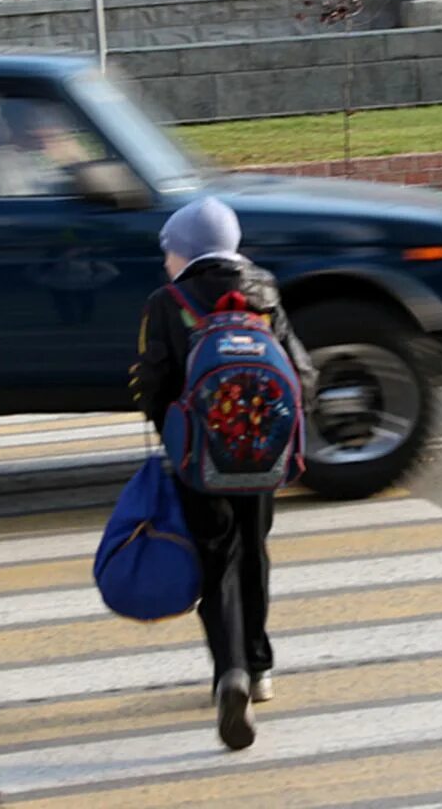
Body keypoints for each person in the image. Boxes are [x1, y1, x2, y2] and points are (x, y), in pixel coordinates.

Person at [129, 196, 316, 752]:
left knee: (216, 560)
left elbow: (152, 386)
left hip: (199, 464)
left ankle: (228, 671)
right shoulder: (265, 292)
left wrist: (172, 429)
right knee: (254, 550)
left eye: (169, 251)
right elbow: (300, 371)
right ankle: (259, 669)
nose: (166, 261)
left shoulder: (167, 301)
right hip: (262, 460)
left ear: (183, 251)